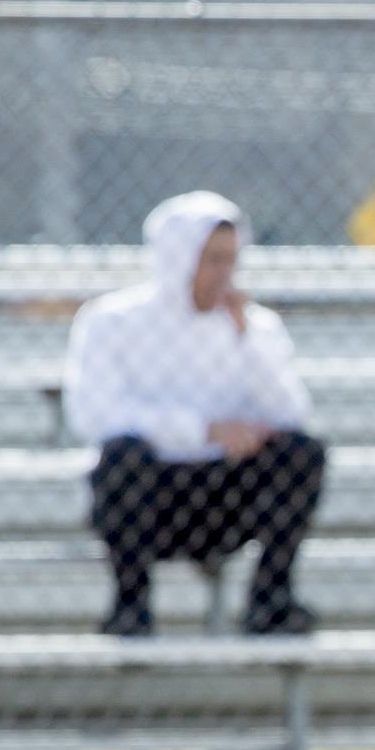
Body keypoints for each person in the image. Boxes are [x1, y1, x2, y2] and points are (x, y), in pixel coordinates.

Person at [65, 191, 326, 636]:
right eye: (211, 260)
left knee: (303, 453)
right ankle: (131, 605)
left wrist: (247, 341)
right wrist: (201, 430)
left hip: (226, 494)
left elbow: (292, 413)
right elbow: (95, 415)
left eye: (231, 260)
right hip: (151, 493)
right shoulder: (112, 320)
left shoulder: (254, 326)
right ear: (175, 257)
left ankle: (271, 600)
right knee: (121, 458)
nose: (224, 274)